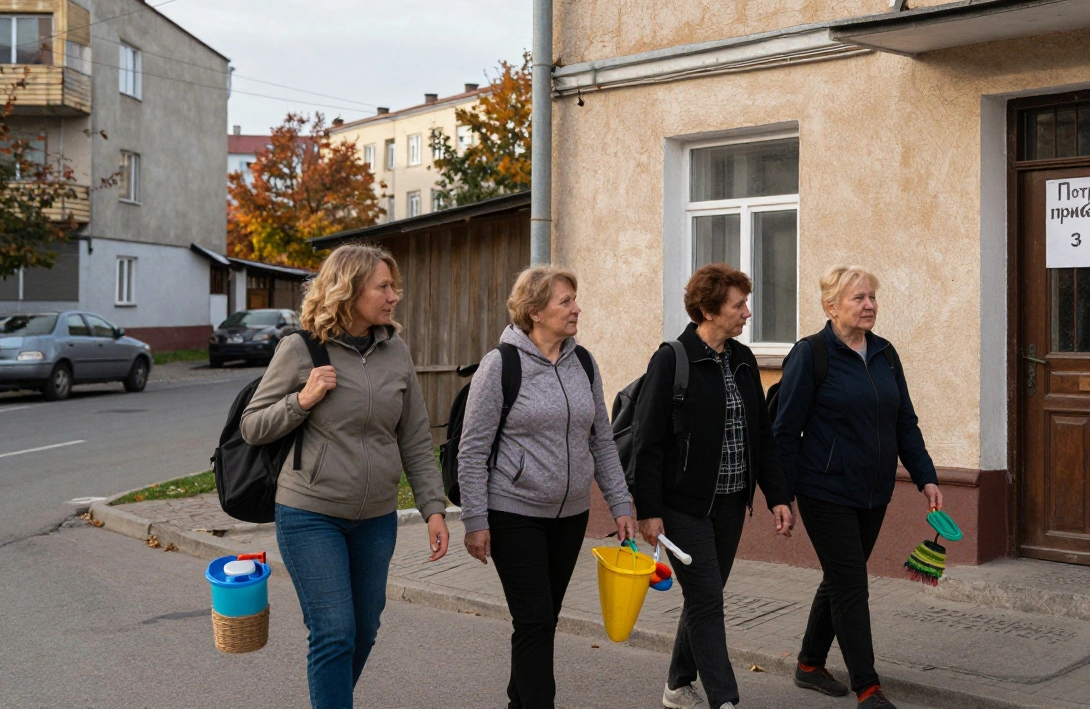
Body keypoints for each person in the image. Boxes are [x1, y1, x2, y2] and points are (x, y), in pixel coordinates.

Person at [241, 243, 450, 709]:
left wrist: (434, 509)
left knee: (364, 630)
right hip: (310, 514)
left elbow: (415, 438)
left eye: (393, 286)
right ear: (349, 290)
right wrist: (304, 399)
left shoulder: (395, 352)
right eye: (383, 286)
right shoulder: (300, 349)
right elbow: (252, 426)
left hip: (376, 517)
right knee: (334, 631)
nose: (394, 295)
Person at [457, 266, 637, 709]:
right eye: (565, 302)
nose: (577, 309)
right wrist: (475, 520)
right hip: (513, 511)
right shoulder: (501, 364)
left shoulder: (584, 362)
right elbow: (472, 449)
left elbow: (602, 440)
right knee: (535, 619)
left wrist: (621, 503)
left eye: (574, 300)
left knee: (543, 620)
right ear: (535, 311)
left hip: (570, 515)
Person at [773, 264, 942, 708]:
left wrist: (925, 476)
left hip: (874, 490)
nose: (869, 305)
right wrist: (780, 496)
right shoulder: (811, 354)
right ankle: (868, 686)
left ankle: (809, 663)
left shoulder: (885, 353)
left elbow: (905, 420)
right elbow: (785, 431)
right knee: (852, 583)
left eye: (871, 297)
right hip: (824, 489)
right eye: (858, 298)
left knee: (841, 576)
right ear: (831, 306)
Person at [631, 263, 794, 709]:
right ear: (707, 309)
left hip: (729, 502)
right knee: (707, 600)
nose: (747, 313)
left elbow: (762, 434)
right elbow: (647, 441)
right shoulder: (672, 359)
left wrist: (777, 495)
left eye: (746, 303)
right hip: (682, 506)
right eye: (738, 305)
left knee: (706, 596)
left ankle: (677, 684)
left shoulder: (741, 359)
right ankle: (725, 699)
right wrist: (648, 510)